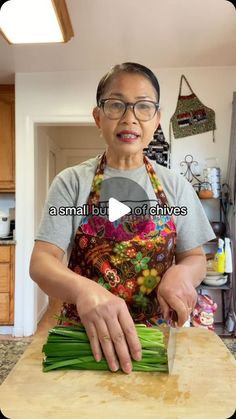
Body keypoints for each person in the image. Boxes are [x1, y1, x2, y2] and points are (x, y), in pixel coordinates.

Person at [30, 62, 215, 374]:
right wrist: (85, 291)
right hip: (83, 341)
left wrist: (182, 274)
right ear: (98, 117)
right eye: (116, 104)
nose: (129, 117)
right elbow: (42, 262)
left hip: (154, 341)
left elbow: (195, 257)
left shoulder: (175, 186)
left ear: (156, 120)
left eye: (143, 106)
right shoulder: (71, 182)